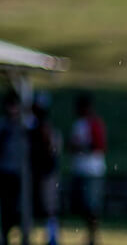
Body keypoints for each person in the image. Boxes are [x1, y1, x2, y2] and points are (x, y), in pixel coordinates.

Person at [68, 93, 107, 245]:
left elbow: (99, 146)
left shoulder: (94, 123)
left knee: (92, 205)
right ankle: (89, 235)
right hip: (80, 169)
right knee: (82, 205)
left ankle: (93, 236)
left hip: (92, 170)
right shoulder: (78, 124)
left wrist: (81, 147)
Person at [29, 94, 62, 245]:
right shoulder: (34, 126)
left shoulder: (46, 128)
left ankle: (52, 237)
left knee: (50, 207)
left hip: (47, 172)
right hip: (39, 172)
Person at [0, 93, 31, 245]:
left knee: (20, 207)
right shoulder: (4, 127)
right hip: (6, 172)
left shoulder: (24, 126)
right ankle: (5, 234)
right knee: (7, 207)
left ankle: (22, 234)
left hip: (21, 174)